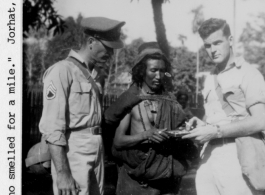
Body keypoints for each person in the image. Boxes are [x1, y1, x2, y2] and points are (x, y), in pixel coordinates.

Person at [39, 17, 125, 195]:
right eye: (108, 47)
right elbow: (53, 128)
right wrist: (63, 174)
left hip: (96, 147)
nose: (111, 53)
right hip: (73, 150)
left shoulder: (95, 75)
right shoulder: (62, 71)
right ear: (91, 42)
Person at [182, 18, 265, 195]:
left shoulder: (248, 73)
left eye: (217, 42)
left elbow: (260, 121)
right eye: (208, 45)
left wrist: (216, 131)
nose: (213, 50)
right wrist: (202, 125)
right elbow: (215, 117)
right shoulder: (210, 78)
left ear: (231, 40)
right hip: (209, 156)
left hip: (238, 154)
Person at [104, 42, 198, 195]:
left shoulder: (170, 101)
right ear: (142, 71)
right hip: (135, 180)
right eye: (153, 70)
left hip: (164, 179)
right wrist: (145, 135)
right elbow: (118, 142)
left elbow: (182, 129)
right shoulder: (130, 100)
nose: (158, 76)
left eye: (162, 71)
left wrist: (181, 132)